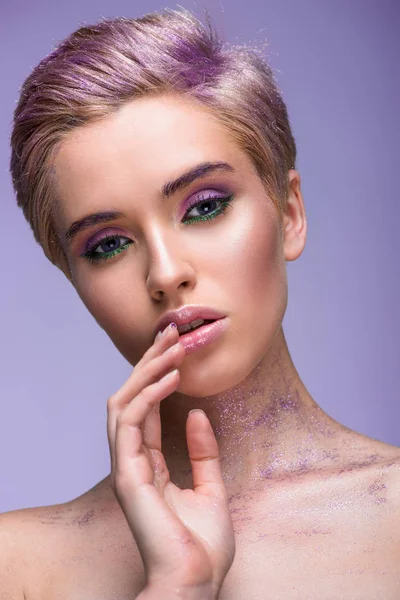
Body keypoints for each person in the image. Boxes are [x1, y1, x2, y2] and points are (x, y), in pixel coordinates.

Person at [2, 6, 399, 599]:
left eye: (205, 205)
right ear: (72, 279)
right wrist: (178, 585)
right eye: (108, 244)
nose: (166, 274)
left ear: (288, 214)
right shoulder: (19, 567)